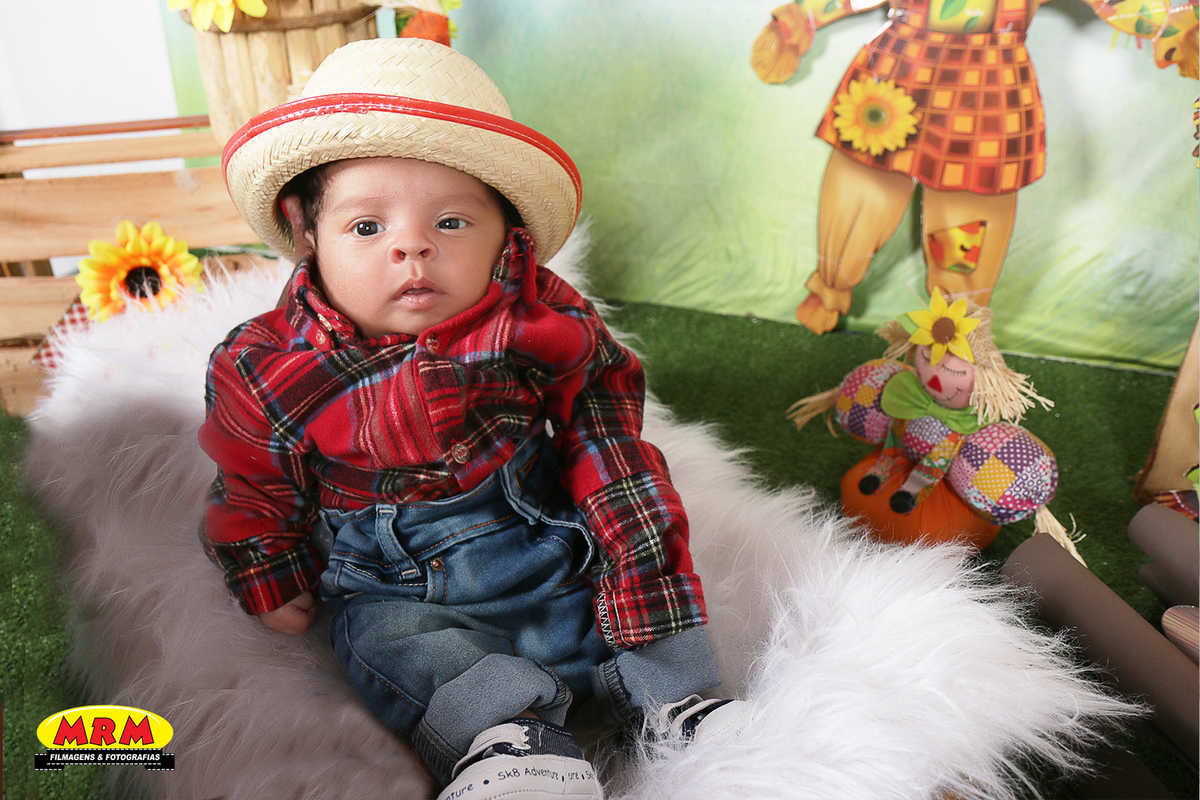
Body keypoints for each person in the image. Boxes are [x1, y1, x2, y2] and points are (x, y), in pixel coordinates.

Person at [200, 37, 746, 800]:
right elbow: (252, 480)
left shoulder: (537, 317)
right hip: (399, 584)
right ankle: (511, 739)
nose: (413, 247)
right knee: (384, 644)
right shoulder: (267, 363)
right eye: (367, 228)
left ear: (506, 238)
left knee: (637, 580)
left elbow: (602, 430)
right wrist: (268, 567)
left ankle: (680, 706)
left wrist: (630, 549)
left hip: (546, 543)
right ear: (307, 235)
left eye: (452, 222)